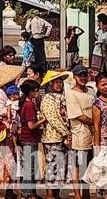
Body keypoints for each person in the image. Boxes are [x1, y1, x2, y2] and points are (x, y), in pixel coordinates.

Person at [0, 63, 23, 199]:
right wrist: (13, 107)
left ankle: (7, 189)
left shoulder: (7, 90)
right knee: (3, 160)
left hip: (10, 130)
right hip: (3, 130)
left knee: (10, 161)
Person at [41, 70, 72, 199]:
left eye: (60, 82)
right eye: (56, 82)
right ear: (51, 84)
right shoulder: (47, 99)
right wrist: (65, 132)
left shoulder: (63, 98)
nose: (59, 85)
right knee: (52, 168)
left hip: (63, 138)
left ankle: (57, 194)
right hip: (52, 137)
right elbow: (53, 118)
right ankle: (50, 195)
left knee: (61, 168)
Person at [66, 64, 94, 199]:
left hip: (92, 135)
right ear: (75, 77)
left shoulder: (91, 91)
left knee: (88, 167)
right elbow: (79, 116)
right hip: (80, 135)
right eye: (80, 75)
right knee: (78, 167)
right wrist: (96, 123)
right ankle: (78, 195)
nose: (83, 78)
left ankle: (86, 194)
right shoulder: (71, 94)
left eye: (85, 75)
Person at [91, 14, 107, 79]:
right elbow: (98, 38)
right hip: (97, 52)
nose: (98, 24)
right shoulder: (99, 31)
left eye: (100, 22)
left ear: (105, 24)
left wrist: (99, 41)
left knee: (104, 68)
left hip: (105, 54)